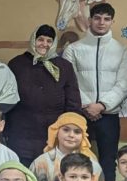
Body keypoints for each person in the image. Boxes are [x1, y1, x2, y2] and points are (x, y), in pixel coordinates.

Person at [63, 3, 127, 181]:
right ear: (90, 20)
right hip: (80, 114)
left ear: (112, 22)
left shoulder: (122, 50)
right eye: (97, 18)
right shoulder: (73, 49)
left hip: (109, 115)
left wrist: (101, 105)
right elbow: (69, 82)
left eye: (106, 19)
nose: (101, 22)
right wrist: (87, 106)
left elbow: (124, 83)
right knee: (75, 161)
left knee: (108, 162)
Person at [5, 24, 81, 168]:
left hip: (54, 133)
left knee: (52, 177)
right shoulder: (17, 64)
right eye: (40, 39)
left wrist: (70, 129)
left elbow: (73, 101)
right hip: (22, 133)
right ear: (33, 40)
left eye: (49, 41)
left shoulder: (64, 66)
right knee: (23, 178)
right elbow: (7, 98)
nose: (44, 44)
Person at [29, 112, 105, 181]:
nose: (71, 135)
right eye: (66, 130)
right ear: (56, 132)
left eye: (77, 132)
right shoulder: (41, 163)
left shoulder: (92, 163)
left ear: (83, 136)